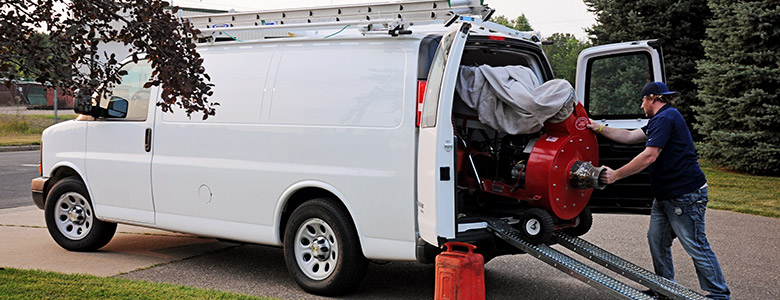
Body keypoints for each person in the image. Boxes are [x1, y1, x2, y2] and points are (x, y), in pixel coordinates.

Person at [587, 82, 730, 300]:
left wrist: (616, 175)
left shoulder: (665, 118)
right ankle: (664, 288)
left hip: (685, 196)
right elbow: (629, 137)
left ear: (652, 98)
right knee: (657, 240)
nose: (641, 105)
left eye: (643, 100)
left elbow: (649, 156)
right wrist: (597, 127)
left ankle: (719, 295)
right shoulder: (661, 119)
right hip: (666, 196)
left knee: (696, 245)